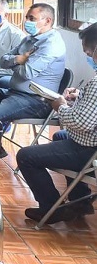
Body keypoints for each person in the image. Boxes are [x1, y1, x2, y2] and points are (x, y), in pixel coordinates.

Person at [17, 23, 97, 224]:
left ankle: (51, 209)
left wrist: (60, 106)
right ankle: (80, 201)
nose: (88, 57)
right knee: (60, 135)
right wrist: (80, 96)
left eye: (89, 53)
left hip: (88, 150)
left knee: (26, 156)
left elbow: (81, 122)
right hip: (89, 143)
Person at [0, 3, 66, 128]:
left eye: (32, 18)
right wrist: (18, 59)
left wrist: (13, 63)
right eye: (27, 18)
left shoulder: (51, 44)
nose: (27, 21)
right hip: (14, 92)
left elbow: (26, 73)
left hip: (36, 100)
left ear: (47, 21)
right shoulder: (29, 39)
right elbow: (3, 60)